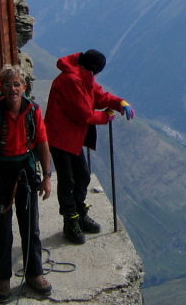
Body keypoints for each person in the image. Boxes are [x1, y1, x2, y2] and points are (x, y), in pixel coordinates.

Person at [0, 64, 54, 304]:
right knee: (2, 230)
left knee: (31, 227)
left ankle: (34, 273)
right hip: (0, 172)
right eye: (7, 84)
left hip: (26, 172)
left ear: (24, 87)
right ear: (1, 88)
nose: (12, 89)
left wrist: (47, 176)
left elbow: (42, 143)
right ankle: (3, 280)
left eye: (16, 84)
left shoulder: (33, 111)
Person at [45, 49, 134, 244]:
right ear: (91, 69)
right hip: (60, 138)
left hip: (72, 137)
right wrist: (107, 116)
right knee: (68, 180)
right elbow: (83, 114)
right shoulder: (70, 80)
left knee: (82, 176)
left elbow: (98, 95)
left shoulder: (82, 76)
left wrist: (120, 102)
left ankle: (79, 213)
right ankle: (71, 221)